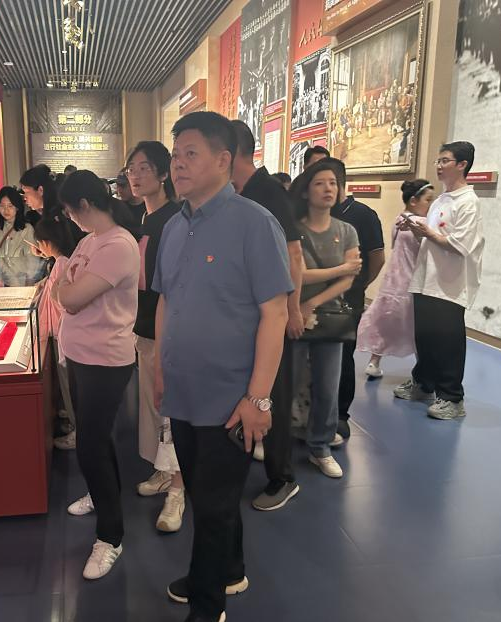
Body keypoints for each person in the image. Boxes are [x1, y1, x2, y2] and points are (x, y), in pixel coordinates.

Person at [155, 111, 292, 622]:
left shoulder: (255, 223)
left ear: (223, 160)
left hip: (232, 398)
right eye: (175, 155)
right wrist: (160, 369)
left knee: (212, 506)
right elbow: (166, 300)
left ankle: (207, 603)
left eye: (190, 154)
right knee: (206, 494)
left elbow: (275, 313)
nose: (178, 164)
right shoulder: (173, 227)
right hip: (184, 390)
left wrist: (259, 398)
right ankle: (229, 570)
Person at [54, 170, 139, 581]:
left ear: (84, 205)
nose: (70, 219)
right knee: (95, 441)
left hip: (106, 360)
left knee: (90, 445)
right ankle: (99, 494)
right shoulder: (90, 240)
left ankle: (111, 536)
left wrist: (65, 287)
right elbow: (67, 284)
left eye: (70, 211)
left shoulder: (118, 245)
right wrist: (66, 286)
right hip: (81, 354)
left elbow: (70, 296)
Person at [230, 119, 304, 512]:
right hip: (248, 315)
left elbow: (294, 254)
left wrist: (292, 309)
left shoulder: (267, 192)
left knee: (274, 392)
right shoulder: (236, 193)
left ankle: (283, 477)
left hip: (273, 312)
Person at [395, 141, 485, 420]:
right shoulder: (442, 200)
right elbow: (430, 238)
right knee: (426, 336)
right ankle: (423, 384)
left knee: (447, 341)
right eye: (438, 160)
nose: (439, 166)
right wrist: (415, 228)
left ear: (462, 165)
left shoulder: (469, 202)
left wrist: (427, 231)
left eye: (445, 160)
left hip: (449, 283)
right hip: (427, 278)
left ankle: (452, 398)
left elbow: (460, 245)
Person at [124, 141, 184, 532]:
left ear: (163, 174)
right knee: (152, 405)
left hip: (171, 330)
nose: (135, 175)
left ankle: (179, 487)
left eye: (144, 168)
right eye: (131, 169)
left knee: (173, 407)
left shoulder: (174, 220)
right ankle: (165, 471)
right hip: (144, 325)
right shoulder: (143, 219)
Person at [290, 161, 361, 479]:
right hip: (293, 316)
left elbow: (349, 280)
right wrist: (341, 269)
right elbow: (299, 274)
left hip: (330, 318)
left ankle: (320, 446)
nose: (328, 189)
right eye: (320, 183)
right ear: (306, 191)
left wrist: (312, 303)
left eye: (333, 182)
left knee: (327, 386)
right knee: (288, 383)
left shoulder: (346, 231)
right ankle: (276, 438)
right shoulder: (294, 229)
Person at [324, 159, 385, 439]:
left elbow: (377, 258)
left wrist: (359, 286)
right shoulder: (311, 213)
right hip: (314, 299)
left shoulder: (363, 216)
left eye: (328, 182)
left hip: (347, 301)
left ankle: (340, 414)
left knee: (342, 357)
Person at [356, 180, 434, 378]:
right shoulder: (422, 224)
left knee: (384, 322)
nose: (430, 205)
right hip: (413, 281)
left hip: (393, 280)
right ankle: (424, 370)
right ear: (414, 201)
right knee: (418, 327)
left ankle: (374, 361)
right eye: (428, 200)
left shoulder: (399, 220)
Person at [34, 216, 78, 451]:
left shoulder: (62, 264)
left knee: (70, 384)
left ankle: (78, 431)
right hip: (62, 332)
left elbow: (60, 301)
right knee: (67, 383)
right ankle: (74, 422)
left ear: (47, 242)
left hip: (64, 333)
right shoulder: (61, 262)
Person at [0, 186, 46, 286]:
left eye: (10, 206)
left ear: (17, 207)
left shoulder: (26, 228)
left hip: (21, 280)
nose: (6, 210)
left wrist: (29, 282)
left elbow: (32, 259)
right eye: (2, 206)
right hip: (2, 278)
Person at [19, 165, 85, 245]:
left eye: (26, 192)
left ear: (40, 190)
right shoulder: (51, 213)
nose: (25, 197)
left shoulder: (61, 216)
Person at [115, 169, 146, 237]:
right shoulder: (117, 208)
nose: (119, 190)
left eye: (123, 186)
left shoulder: (148, 209)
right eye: (117, 186)